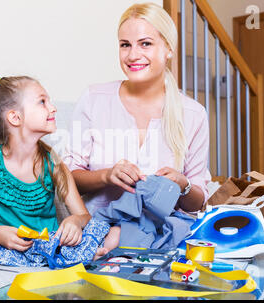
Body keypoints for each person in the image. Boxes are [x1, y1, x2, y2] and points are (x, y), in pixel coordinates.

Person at [63, 3, 212, 245]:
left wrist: (182, 184)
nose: (133, 55)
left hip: (160, 238)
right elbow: (68, 179)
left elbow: (197, 204)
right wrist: (106, 175)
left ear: (168, 49)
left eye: (145, 43)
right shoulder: (93, 99)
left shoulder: (193, 114)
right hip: (97, 234)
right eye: (125, 45)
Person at [0, 73, 112, 263]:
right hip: (2, 247)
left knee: (113, 233)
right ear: (15, 117)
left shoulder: (54, 164)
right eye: (42, 102)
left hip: (50, 245)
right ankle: (51, 261)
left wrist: (74, 221)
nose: (53, 108)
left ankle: (52, 258)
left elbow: (84, 216)